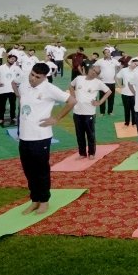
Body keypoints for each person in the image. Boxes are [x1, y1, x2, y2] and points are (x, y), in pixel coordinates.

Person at [13, 63, 73, 214]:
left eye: (37, 77)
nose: (32, 78)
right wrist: (19, 94)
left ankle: (44, 201)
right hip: (24, 136)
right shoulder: (25, 83)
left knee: (41, 171)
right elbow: (14, 83)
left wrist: (56, 118)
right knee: (28, 171)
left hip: (40, 137)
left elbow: (72, 101)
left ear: (44, 77)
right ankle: (35, 200)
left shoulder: (49, 88)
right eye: (32, 74)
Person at [68, 64, 112, 159]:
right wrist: (73, 96)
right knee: (79, 134)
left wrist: (99, 102)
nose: (93, 73)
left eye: (96, 73)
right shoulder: (79, 78)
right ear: (90, 69)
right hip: (77, 112)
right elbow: (71, 86)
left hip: (89, 113)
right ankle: (82, 153)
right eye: (93, 70)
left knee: (90, 134)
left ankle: (91, 153)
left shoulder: (98, 82)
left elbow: (109, 91)